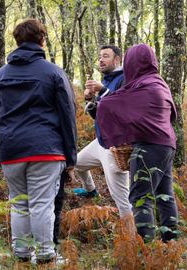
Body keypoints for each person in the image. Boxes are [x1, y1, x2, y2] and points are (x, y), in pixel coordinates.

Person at [0, 19, 77, 264]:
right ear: (42, 40)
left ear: (17, 41)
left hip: (11, 150)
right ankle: (45, 254)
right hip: (46, 149)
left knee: (19, 204)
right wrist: (71, 157)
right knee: (42, 204)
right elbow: (67, 116)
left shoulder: (0, 75)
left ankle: (22, 254)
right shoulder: (54, 72)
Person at [97, 43, 178, 242]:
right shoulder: (158, 83)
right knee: (164, 195)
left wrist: (99, 101)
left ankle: (146, 249)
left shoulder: (142, 86)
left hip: (148, 148)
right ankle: (171, 243)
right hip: (167, 146)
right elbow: (169, 115)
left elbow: (112, 104)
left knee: (140, 199)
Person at [73, 45, 132, 217]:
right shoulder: (106, 80)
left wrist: (103, 91)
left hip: (115, 146)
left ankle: (132, 238)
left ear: (117, 59)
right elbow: (99, 115)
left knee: (121, 198)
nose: (101, 60)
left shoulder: (125, 79)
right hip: (100, 141)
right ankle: (90, 190)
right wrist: (89, 99)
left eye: (105, 56)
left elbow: (122, 108)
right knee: (76, 163)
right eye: (100, 57)